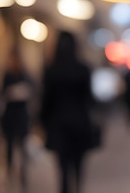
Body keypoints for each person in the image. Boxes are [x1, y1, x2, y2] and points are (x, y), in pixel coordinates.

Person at [40, 30, 98, 193]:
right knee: (78, 167)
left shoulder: (51, 70)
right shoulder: (83, 69)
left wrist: (42, 122)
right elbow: (90, 99)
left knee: (63, 170)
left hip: (59, 126)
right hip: (80, 124)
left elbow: (46, 101)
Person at [0, 48, 34, 192]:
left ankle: (23, 177)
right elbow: (1, 93)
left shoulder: (25, 75)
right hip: (10, 116)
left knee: (22, 147)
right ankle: (9, 174)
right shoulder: (7, 75)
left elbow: (32, 89)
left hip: (21, 116)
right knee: (10, 147)